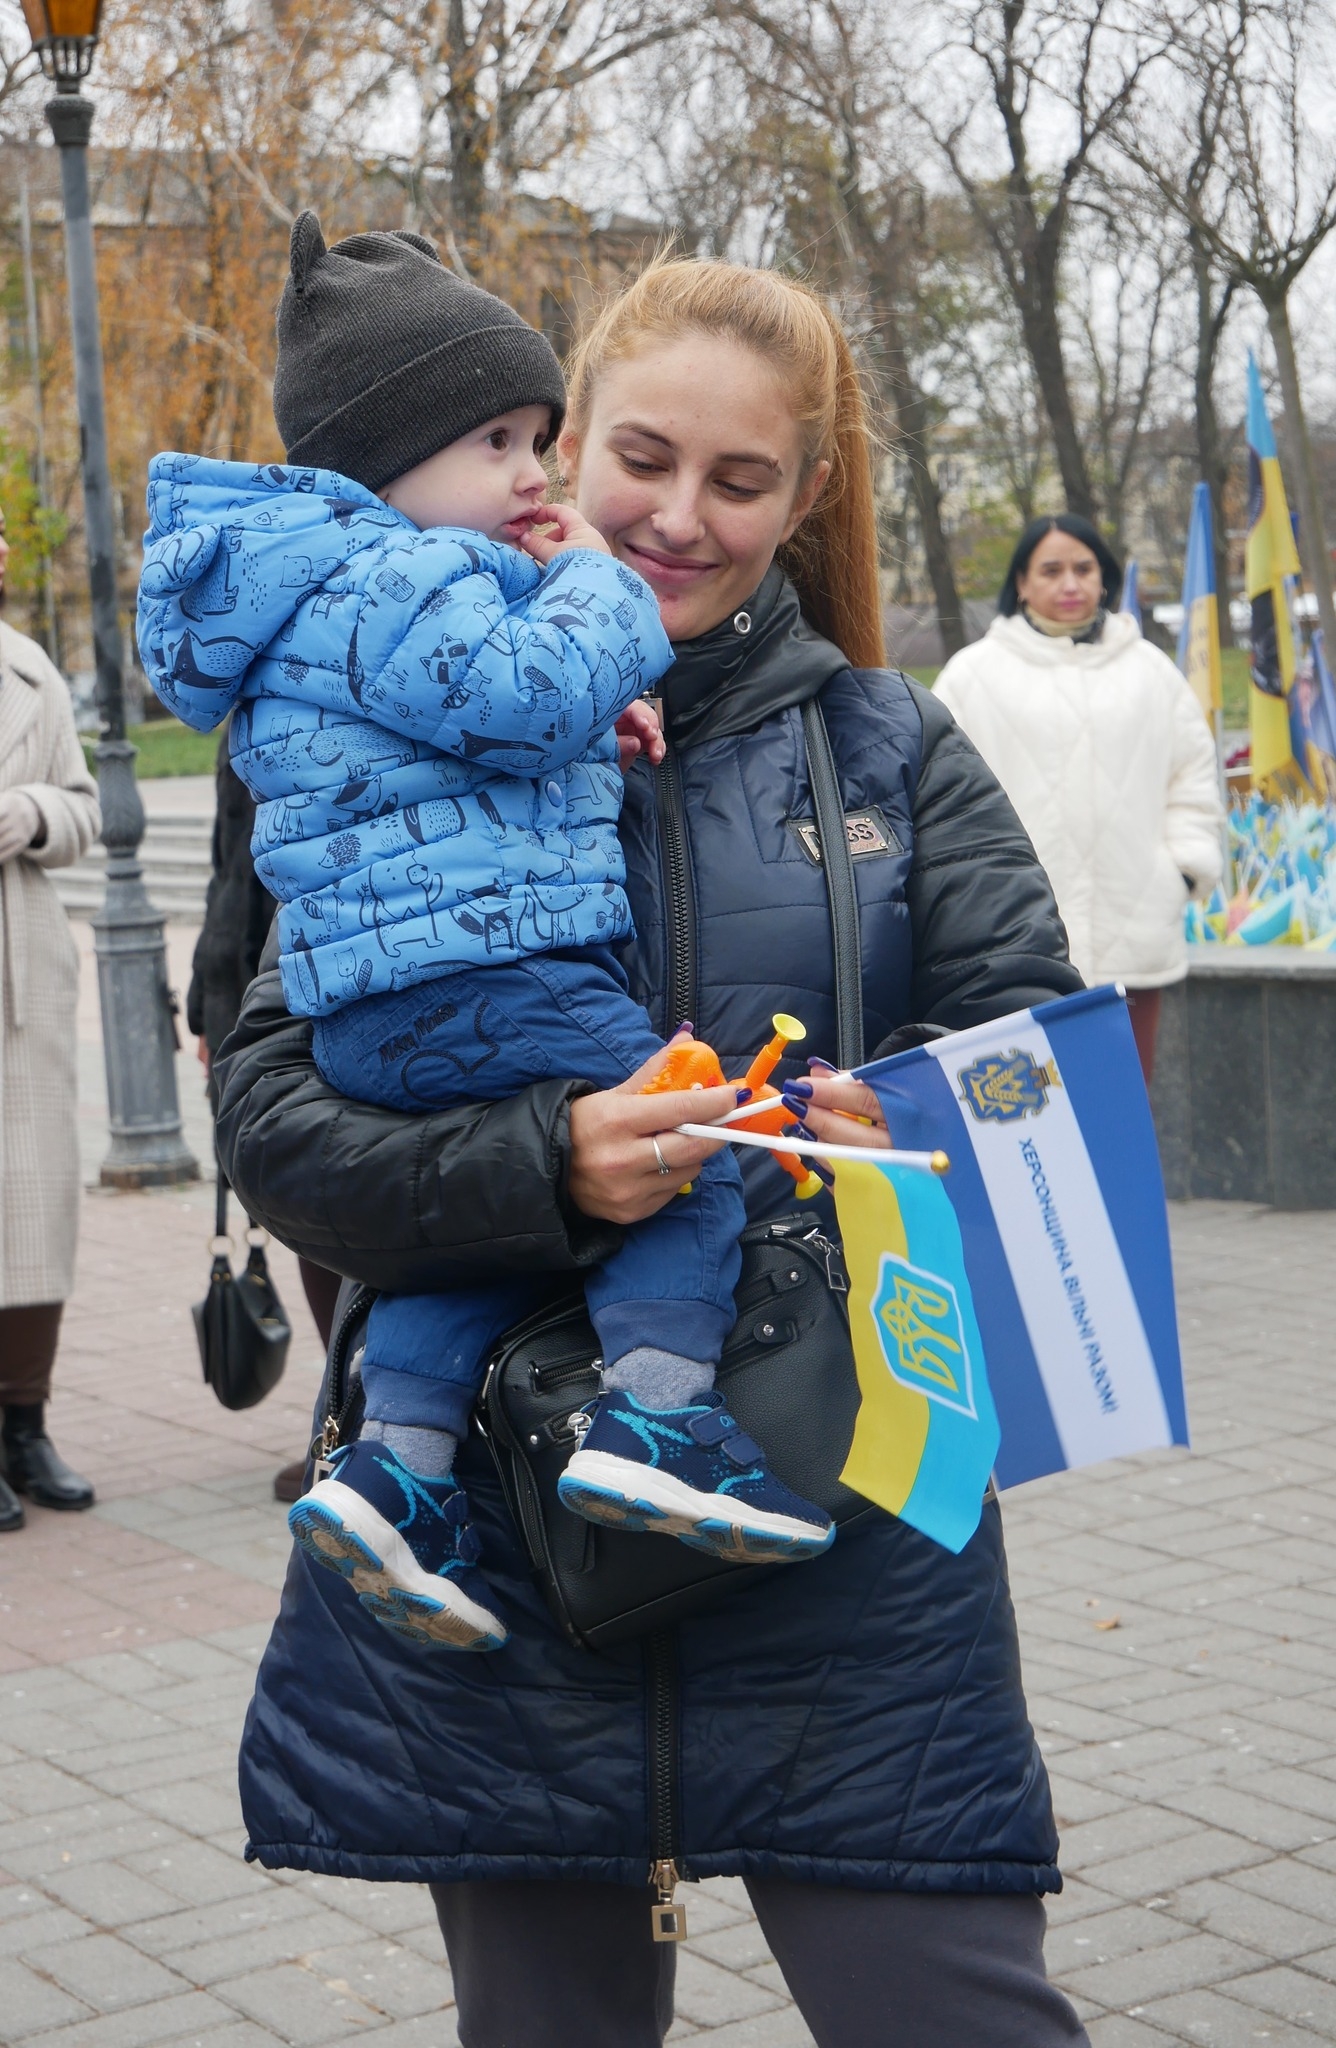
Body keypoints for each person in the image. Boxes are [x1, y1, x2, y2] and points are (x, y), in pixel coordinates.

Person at [215, 258, 1092, 2047]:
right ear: (550, 439)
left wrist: (895, 1120)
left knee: (961, 2014)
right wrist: (548, 1161)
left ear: (805, 496)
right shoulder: (357, 719)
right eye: (641, 457)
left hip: (835, 1519)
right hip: (500, 1551)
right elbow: (272, 1121)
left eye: (740, 480)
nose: (677, 519)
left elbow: (1034, 1073)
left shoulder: (889, 742)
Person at [139, 217, 834, 1656]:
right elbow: (510, 695)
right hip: (496, 964)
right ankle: (659, 1425)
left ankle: (399, 1469)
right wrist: (599, 597)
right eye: (505, 446)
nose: (533, 477)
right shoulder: (400, 573)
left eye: (537, 437)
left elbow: (482, 735)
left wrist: (599, 704)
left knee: (463, 1257)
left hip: (382, 1004)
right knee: (684, 1157)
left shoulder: (313, 597)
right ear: (379, 466)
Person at [934, 514, 1224, 1082]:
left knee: (1124, 1108)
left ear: (1104, 577)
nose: (1070, 583)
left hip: (1133, 929)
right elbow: (937, 794)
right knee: (1031, 1121)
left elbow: (1192, 777)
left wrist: (1184, 870)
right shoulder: (973, 675)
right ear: (1021, 582)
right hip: (1013, 941)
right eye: (1052, 569)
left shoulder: (1151, 671)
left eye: (1084, 568)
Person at [187, 736, 343, 1501]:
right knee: (301, 1212)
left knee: (350, 1212)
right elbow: (229, 872)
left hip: (327, 974)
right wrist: (206, 1002)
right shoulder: (253, 701)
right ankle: (344, 1419)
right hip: (255, 986)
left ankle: (360, 1422)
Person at [0, 510, 100, 1531]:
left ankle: (24, 1423)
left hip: (20, 975)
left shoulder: (28, 668)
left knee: (36, 1213)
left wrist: (31, 813)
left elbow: (84, 807)